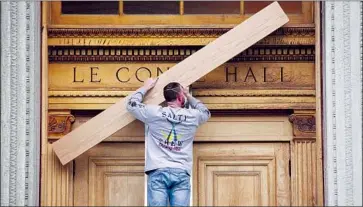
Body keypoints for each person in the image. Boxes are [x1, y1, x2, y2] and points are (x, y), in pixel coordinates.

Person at [126, 78, 211, 206]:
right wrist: (189, 95)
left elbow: (131, 104)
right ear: (179, 96)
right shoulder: (193, 115)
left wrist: (145, 87)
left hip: (157, 170)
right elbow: (206, 112)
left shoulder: (154, 112)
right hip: (181, 171)